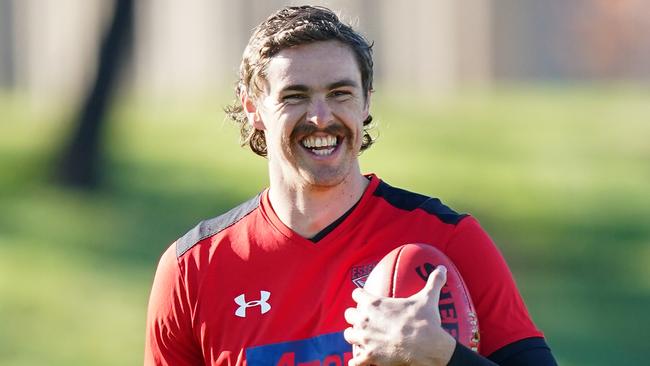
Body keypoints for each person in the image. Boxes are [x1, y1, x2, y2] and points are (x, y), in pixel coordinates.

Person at [144, 5, 558, 366]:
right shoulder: (193, 271)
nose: (321, 117)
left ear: (366, 103)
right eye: (295, 96)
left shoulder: (448, 239)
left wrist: (444, 357)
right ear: (254, 107)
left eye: (340, 93)